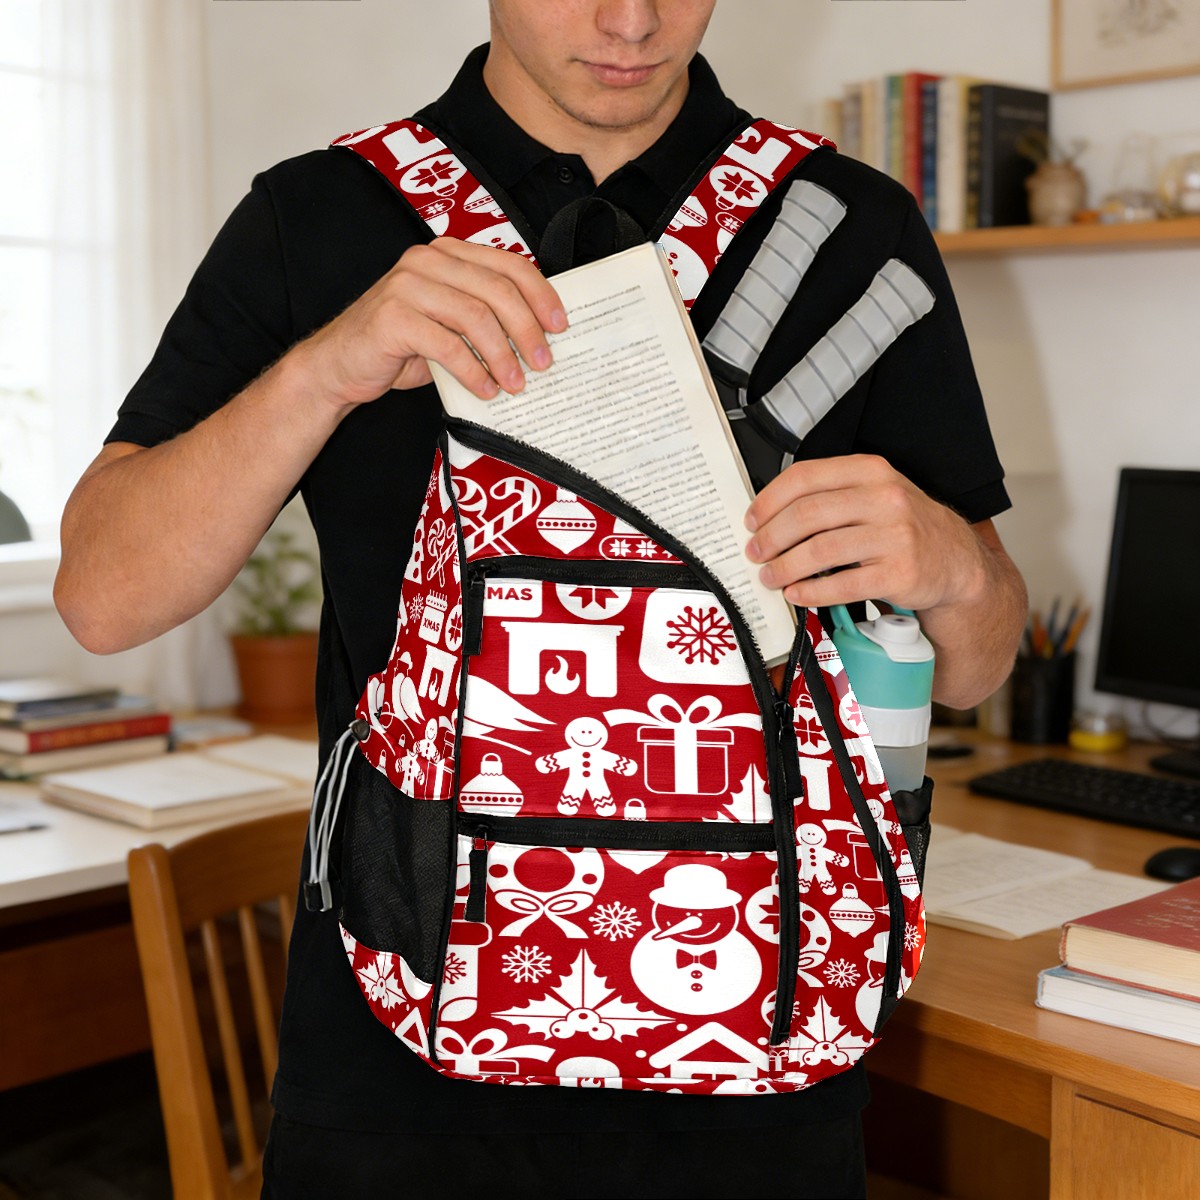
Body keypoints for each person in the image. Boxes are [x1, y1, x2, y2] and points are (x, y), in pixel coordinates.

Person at [55, 2, 1027, 1196]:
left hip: (766, 1071)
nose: (631, 19)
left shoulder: (849, 228)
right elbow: (103, 598)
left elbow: (979, 663)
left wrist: (955, 565)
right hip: (397, 1087)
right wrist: (324, 370)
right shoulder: (318, 217)